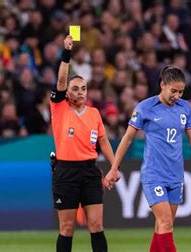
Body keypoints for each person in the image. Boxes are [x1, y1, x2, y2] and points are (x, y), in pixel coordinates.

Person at [104, 66, 191, 252]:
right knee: (165, 223)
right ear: (162, 85)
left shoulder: (185, 108)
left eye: (181, 92)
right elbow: (127, 139)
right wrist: (114, 167)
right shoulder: (145, 108)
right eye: (173, 91)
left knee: (162, 226)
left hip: (176, 175)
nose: (177, 95)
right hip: (154, 174)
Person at [50, 35, 115, 252]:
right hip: (65, 171)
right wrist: (66, 53)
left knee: (96, 225)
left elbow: (104, 141)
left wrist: (113, 167)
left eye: (83, 88)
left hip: (89, 171)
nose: (80, 92)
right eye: (75, 88)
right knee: (67, 227)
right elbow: (60, 80)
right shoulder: (59, 108)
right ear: (67, 92)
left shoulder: (94, 114)